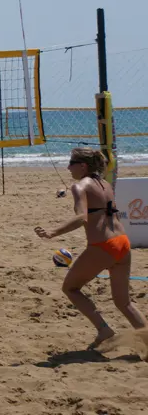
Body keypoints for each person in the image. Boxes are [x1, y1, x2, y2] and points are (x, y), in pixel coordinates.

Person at [35, 147, 147, 349]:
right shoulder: (105, 184)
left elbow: (81, 217)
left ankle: (104, 329)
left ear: (83, 166)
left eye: (71, 163)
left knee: (70, 288)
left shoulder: (79, 186)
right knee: (124, 303)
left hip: (104, 246)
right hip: (123, 242)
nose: (68, 167)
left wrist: (52, 232)